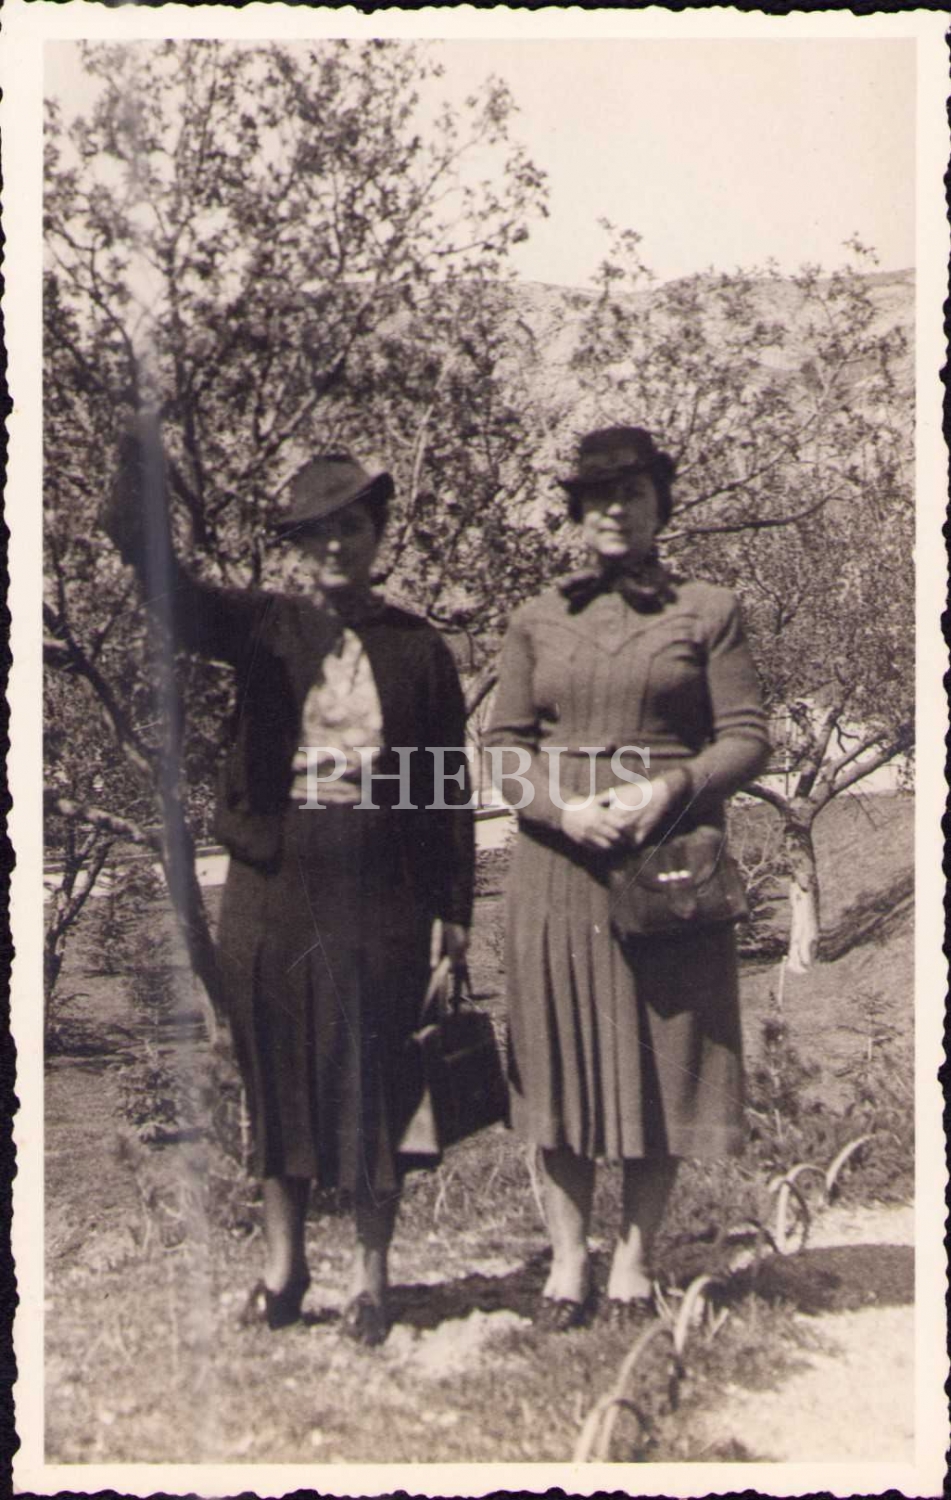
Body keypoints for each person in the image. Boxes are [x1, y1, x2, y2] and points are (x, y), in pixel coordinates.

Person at [102, 420, 474, 1346]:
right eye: (319, 532)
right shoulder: (265, 628)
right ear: (300, 547)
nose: (337, 544)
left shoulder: (420, 651)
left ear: (378, 533)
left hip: (381, 886)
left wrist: (453, 913)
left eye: (352, 526)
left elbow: (444, 793)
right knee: (278, 1074)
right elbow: (175, 594)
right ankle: (284, 1271)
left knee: (376, 1078)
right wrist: (137, 488)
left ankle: (372, 1280)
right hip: (273, 884)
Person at [484, 425, 770, 1330]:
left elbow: (747, 737)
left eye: (632, 493)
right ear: (576, 511)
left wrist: (675, 787)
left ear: (659, 505)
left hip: (667, 863)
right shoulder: (534, 617)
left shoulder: (708, 609)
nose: (614, 509)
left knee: (662, 1059)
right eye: (597, 495)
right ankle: (568, 1264)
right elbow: (503, 749)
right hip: (558, 867)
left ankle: (634, 1264)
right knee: (559, 1058)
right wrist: (563, 811)